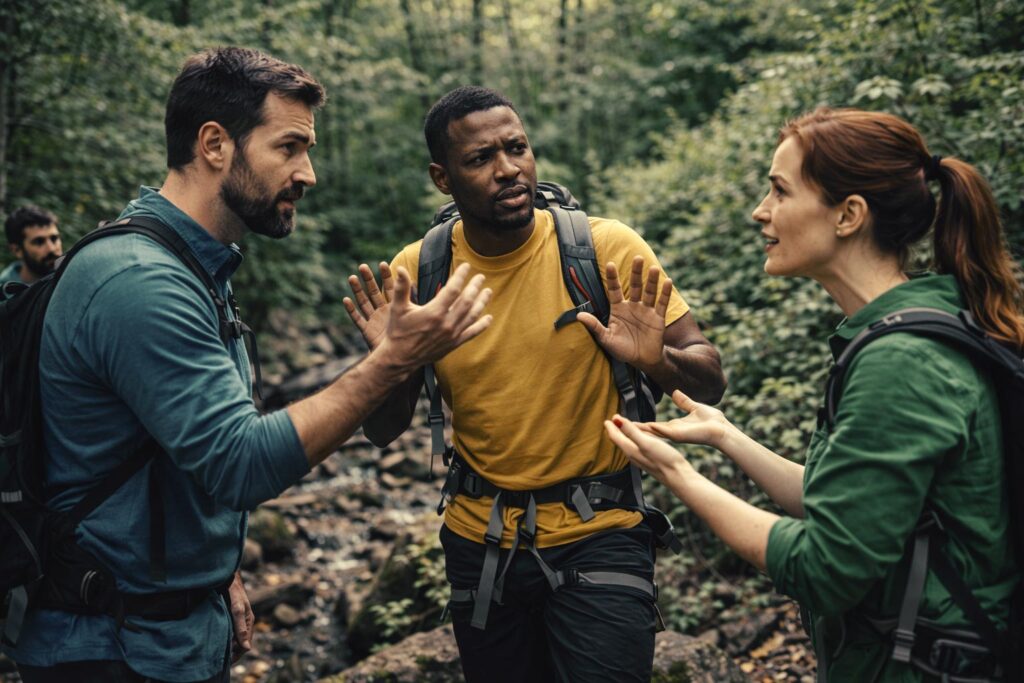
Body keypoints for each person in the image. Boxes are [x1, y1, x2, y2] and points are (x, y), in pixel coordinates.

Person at [5, 48, 492, 683]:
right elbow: (239, 462)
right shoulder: (140, 282)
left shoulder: (194, 264)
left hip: (166, 629)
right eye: (289, 147)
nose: (308, 173)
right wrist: (395, 361)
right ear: (214, 143)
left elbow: (178, 452)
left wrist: (215, 572)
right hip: (108, 647)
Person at [605, 107, 1024, 682]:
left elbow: (825, 565)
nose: (761, 210)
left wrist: (678, 473)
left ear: (849, 215)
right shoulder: (902, 328)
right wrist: (726, 436)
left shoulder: (901, 362)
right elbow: (846, 506)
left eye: (779, 190)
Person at [343, 85, 727, 682]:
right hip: (479, 543)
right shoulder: (419, 272)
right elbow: (383, 431)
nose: (508, 170)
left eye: (516, 148)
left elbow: (710, 382)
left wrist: (657, 361)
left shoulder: (605, 250)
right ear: (442, 179)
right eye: (481, 159)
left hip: (602, 533)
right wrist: (391, 362)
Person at [2, 205, 63, 288]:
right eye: (39, 242)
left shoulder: (75, 277)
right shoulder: (5, 296)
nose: (51, 248)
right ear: (17, 250)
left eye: (54, 239)